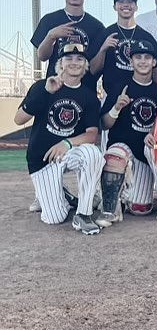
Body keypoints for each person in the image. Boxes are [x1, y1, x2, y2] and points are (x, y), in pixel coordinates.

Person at [14, 43, 104, 235]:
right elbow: (18, 119)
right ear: (60, 63)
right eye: (69, 58)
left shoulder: (88, 96)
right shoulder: (42, 86)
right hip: (42, 159)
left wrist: (67, 142)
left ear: (85, 65)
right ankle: (60, 194)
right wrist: (45, 92)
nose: (74, 62)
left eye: (80, 59)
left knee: (93, 153)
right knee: (54, 218)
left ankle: (84, 214)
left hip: (68, 151)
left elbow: (91, 134)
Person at [96, 40, 157, 225]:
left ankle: (123, 192)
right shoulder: (120, 86)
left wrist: (153, 131)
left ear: (153, 62)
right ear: (131, 61)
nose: (142, 61)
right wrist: (116, 108)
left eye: (147, 57)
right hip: (123, 145)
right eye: (138, 57)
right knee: (115, 157)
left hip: (143, 149)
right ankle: (109, 208)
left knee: (140, 209)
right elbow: (104, 125)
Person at [31, 0, 105, 87]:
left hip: (85, 89)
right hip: (55, 87)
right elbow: (42, 56)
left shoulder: (97, 26)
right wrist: (51, 36)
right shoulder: (50, 20)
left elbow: (96, 66)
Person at [87, 0, 157, 96]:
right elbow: (92, 70)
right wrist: (103, 50)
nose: (125, 5)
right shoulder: (106, 34)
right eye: (121, 2)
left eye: (129, 2)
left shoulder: (145, 36)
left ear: (136, 7)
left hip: (141, 95)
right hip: (112, 96)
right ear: (115, 7)